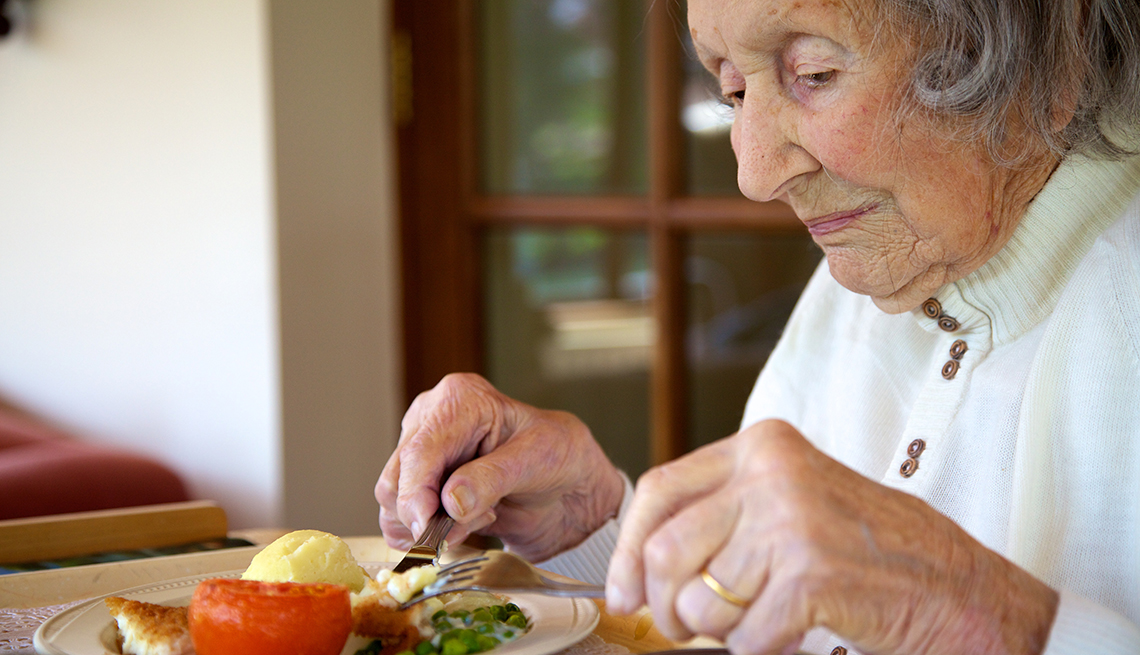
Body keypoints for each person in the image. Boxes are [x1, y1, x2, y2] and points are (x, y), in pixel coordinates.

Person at [376, 0, 1140, 653]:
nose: (755, 172)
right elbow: (760, 611)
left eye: (813, 74)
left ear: (1053, 59)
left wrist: (960, 608)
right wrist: (593, 526)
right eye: (733, 91)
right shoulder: (876, 273)